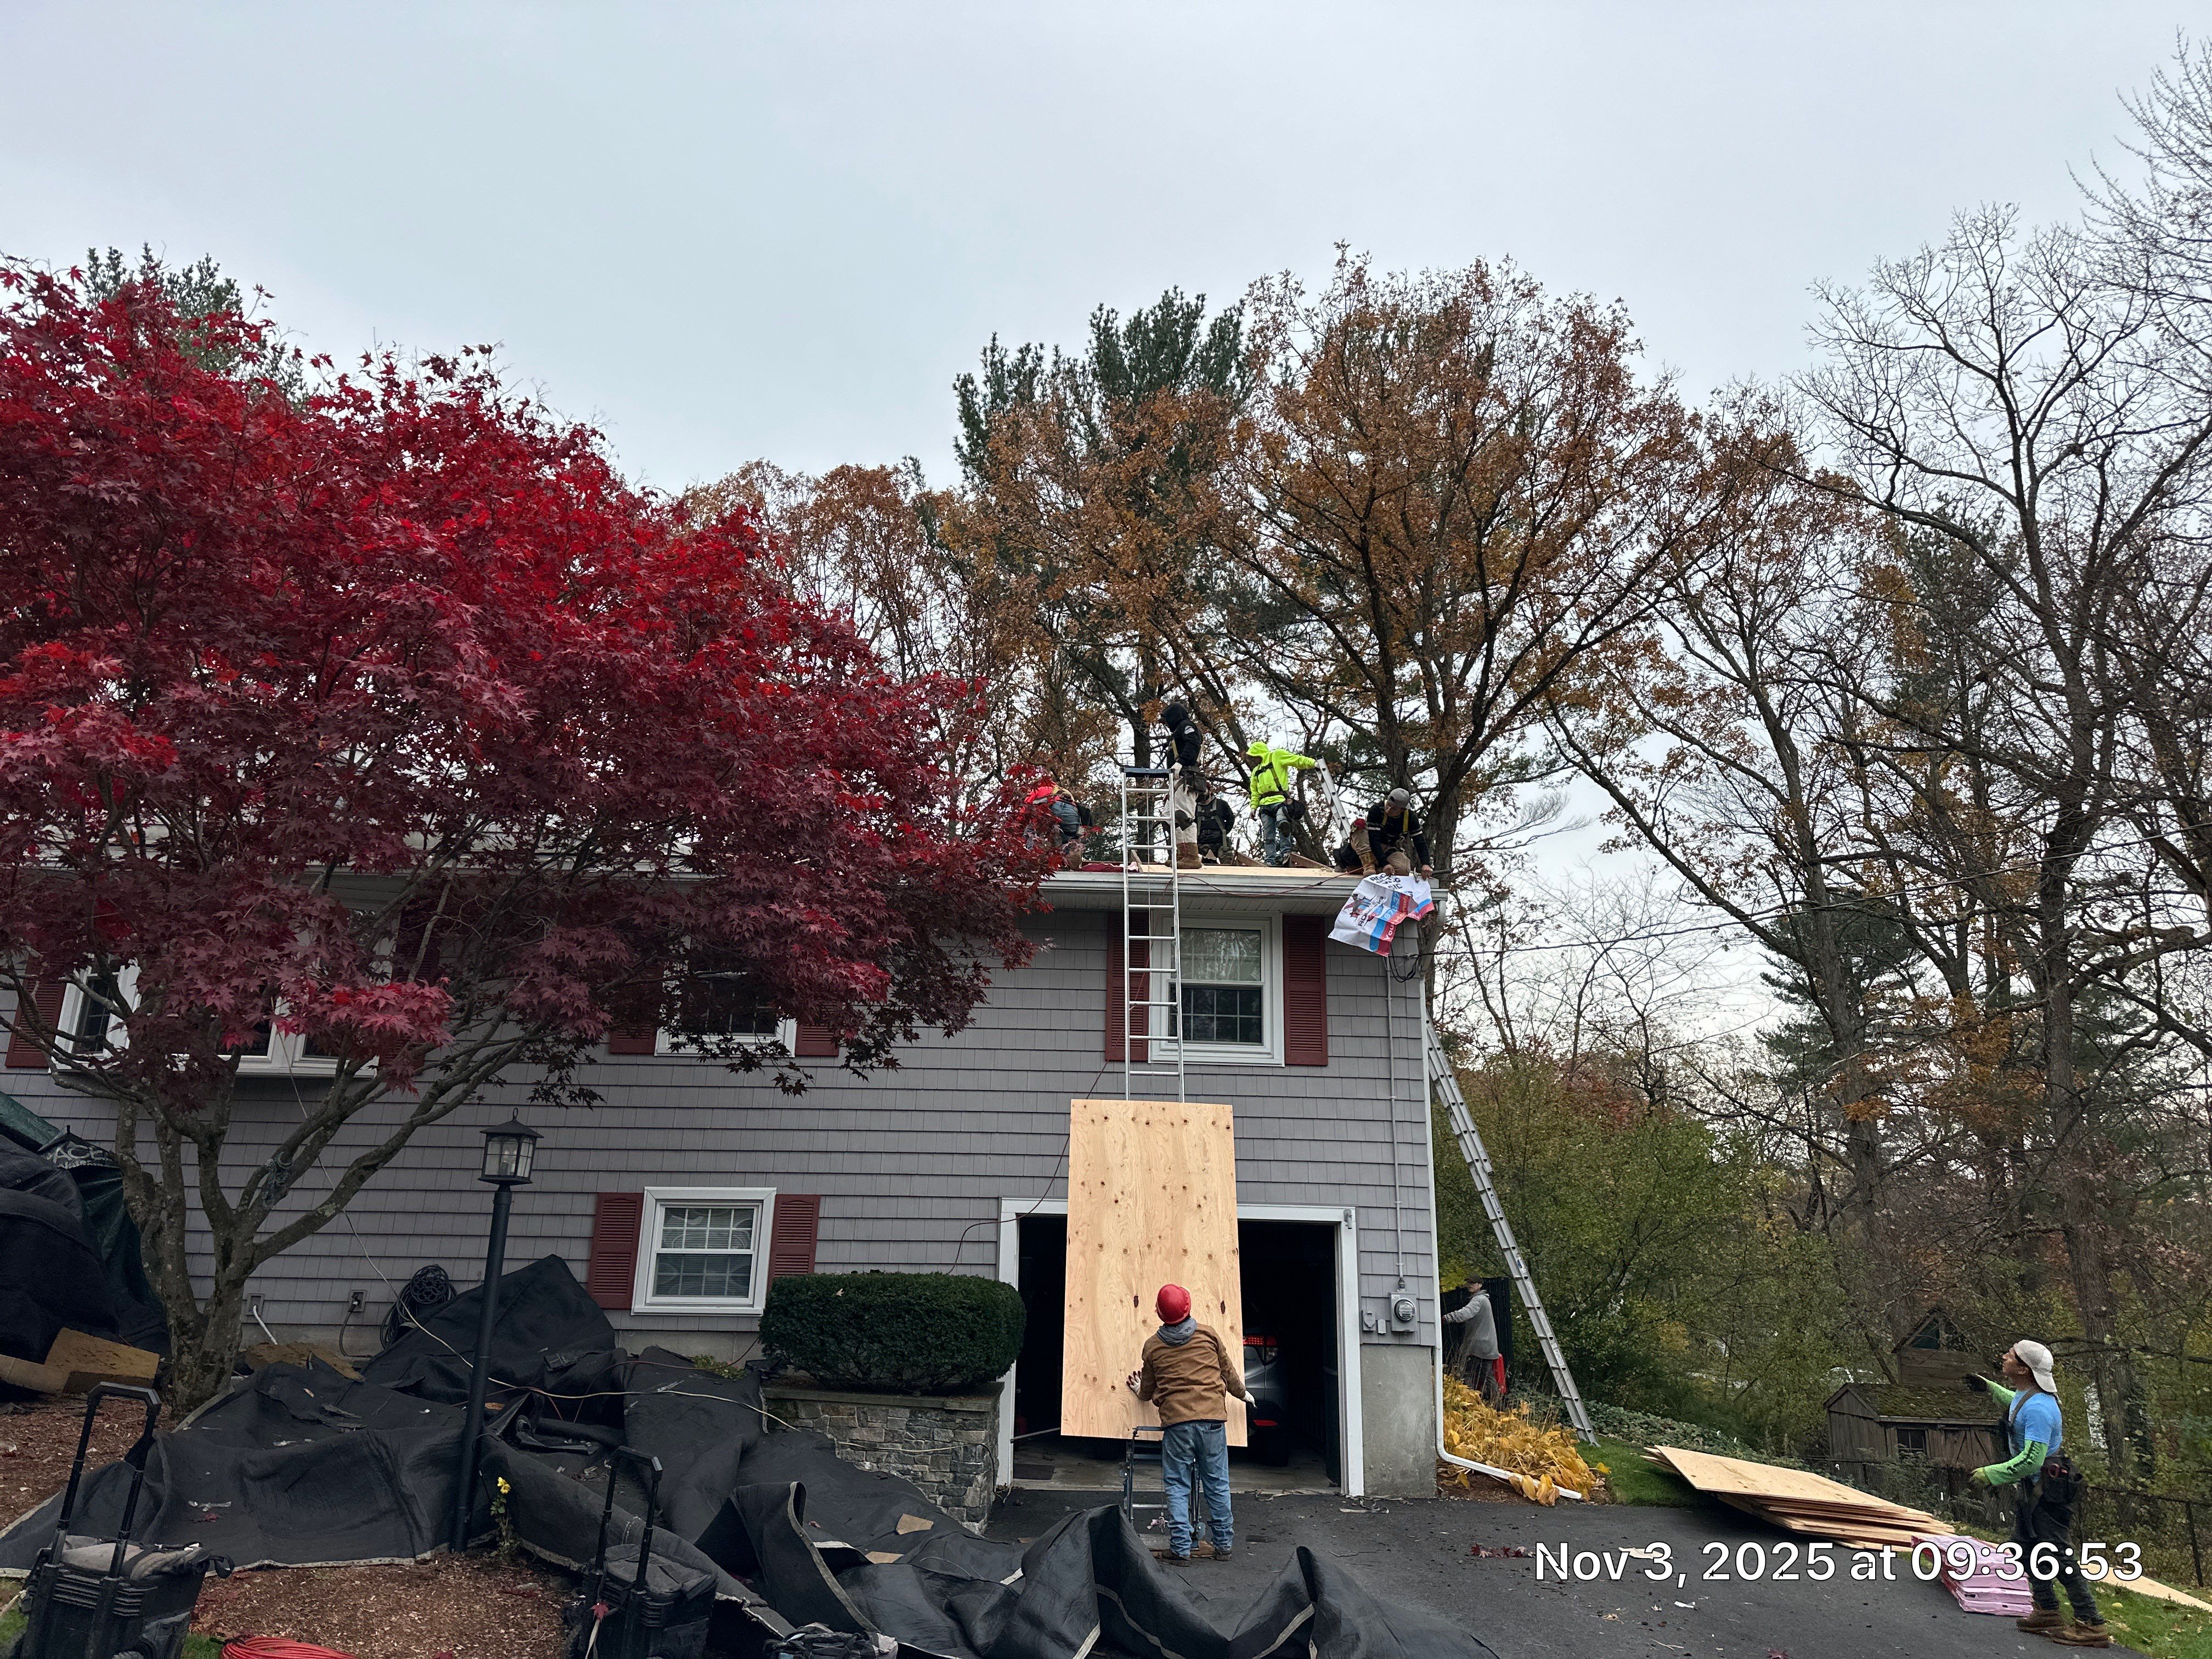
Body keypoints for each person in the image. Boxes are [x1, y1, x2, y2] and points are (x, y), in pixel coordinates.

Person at [1968, 1340, 2107, 1646]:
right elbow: (2016, 1403)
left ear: (2023, 1369)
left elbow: (2033, 1459)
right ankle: (2047, 1610)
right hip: (2034, 1490)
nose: (2004, 1356)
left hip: (2047, 1493)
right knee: (2028, 1549)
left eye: (2011, 1356)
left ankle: (2091, 1623)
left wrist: (1992, 1474)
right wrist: (1989, 1388)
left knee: (2060, 1556)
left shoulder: (2041, 1409)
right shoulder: (2029, 1396)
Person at [1125, 1282, 1248, 1563]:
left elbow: (1146, 1391)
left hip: (1177, 1425)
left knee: (1178, 1485)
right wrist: (1244, 1395)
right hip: (1213, 1421)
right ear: (1189, 1307)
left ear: (1158, 1313)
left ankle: (1180, 1549)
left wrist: (1137, 1391)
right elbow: (1229, 1376)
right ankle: (1224, 1546)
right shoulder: (1208, 1335)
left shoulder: (1153, 1347)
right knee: (1217, 1483)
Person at [1246, 741, 1318, 866]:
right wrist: (1253, 807)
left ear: (1259, 753)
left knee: (1283, 824)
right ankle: (1270, 860)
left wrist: (1313, 763)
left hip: (1280, 800)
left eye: (1254, 756)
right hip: (1265, 805)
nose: (1253, 759)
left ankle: (1286, 852)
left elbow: (1297, 760)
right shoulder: (1256, 771)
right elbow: (1255, 792)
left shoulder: (1277, 756)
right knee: (1268, 835)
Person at [1443, 1279, 1504, 1404]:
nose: (1470, 1286)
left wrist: (1448, 1318)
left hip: (1478, 1346)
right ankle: (1497, 1405)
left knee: (1467, 1374)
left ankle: (1468, 1402)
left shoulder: (1478, 1300)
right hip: (1488, 1345)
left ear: (1480, 1285)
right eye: (1469, 1283)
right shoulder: (1485, 1300)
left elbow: (1467, 1312)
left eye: (1473, 1283)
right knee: (1487, 1376)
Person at [1363, 788, 1432, 877]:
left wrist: (1426, 864)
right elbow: (1374, 841)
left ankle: (1378, 870)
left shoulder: (1410, 818)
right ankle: (1368, 866)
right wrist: (1385, 863)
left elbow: (1420, 842)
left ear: (1403, 810)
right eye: (1388, 805)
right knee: (1359, 830)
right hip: (1367, 846)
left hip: (1387, 848)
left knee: (1404, 870)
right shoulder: (1377, 810)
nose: (1388, 809)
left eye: (1394, 809)